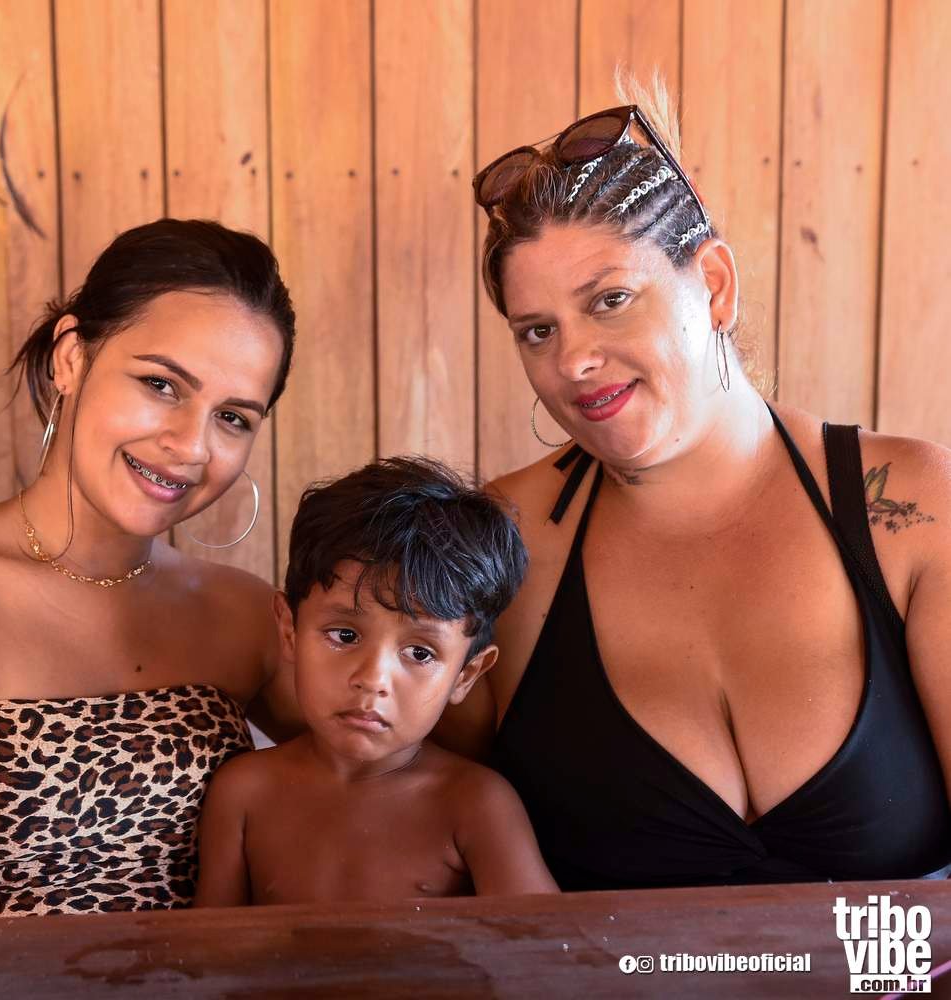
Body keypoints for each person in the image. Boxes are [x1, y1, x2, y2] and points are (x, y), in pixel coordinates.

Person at [437, 79, 951, 889]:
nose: (573, 362)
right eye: (537, 332)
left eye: (610, 300)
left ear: (713, 285)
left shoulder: (915, 507)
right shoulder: (500, 544)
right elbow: (404, 802)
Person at [0, 219, 301, 918]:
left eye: (233, 418)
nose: (191, 445)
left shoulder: (247, 617)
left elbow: (402, 767)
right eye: (161, 384)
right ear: (71, 357)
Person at [194, 458, 556, 906]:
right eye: (344, 636)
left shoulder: (475, 805)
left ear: (466, 675)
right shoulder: (244, 793)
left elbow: (545, 939)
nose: (373, 680)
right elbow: (211, 942)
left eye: (420, 653)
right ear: (289, 631)